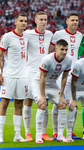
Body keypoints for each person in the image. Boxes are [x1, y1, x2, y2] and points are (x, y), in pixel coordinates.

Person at [49, 13, 82, 140]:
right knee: (58, 102)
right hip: (60, 73)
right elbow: (50, 50)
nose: (75, 22)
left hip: (74, 74)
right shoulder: (58, 34)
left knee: (73, 102)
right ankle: (56, 131)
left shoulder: (80, 35)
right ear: (66, 21)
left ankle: (70, 131)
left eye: (77, 20)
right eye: (72, 20)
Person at [32, 39, 72, 143]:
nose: (64, 52)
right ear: (56, 49)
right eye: (62, 49)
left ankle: (60, 135)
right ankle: (38, 136)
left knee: (63, 104)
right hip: (39, 83)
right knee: (42, 105)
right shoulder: (48, 59)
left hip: (52, 84)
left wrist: (62, 95)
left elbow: (65, 77)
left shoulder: (68, 60)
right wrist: (42, 95)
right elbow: (42, 77)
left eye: (66, 50)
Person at [23, 11, 53, 142]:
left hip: (44, 73)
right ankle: (28, 133)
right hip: (30, 72)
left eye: (45, 19)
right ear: (35, 20)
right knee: (28, 101)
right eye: (41, 19)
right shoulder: (28, 33)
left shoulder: (50, 34)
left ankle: (44, 132)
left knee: (44, 102)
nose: (43, 22)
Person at [0, 14, 28, 143]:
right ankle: (0, 134)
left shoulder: (28, 36)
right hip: (9, 75)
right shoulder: (7, 37)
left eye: (25, 21)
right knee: (4, 103)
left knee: (19, 104)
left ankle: (17, 135)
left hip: (23, 76)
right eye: (21, 21)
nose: (23, 23)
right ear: (15, 22)